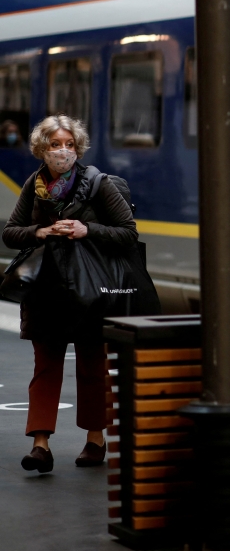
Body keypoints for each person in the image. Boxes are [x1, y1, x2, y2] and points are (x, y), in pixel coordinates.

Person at [2, 115, 138, 473]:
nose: (63, 151)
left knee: (93, 365)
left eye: (69, 145)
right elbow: (11, 232)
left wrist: (85, 228)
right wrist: (41, 232)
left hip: (89, 289)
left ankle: (95, 439)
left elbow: (127, 232)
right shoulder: (34, 184)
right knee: (45, 366)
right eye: (55, 145)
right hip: (46, 290)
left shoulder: (98, 183)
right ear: (41, 150)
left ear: (77, 148)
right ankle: (40, 445)